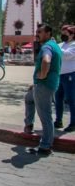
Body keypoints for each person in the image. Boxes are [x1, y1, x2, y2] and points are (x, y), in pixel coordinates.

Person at [26, 24, 62, 156]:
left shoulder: (47, 47)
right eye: (37, 32)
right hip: (45, 85)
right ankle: (28, 124)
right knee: (29, 98)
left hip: (44, 85)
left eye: (40, 32)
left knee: (45, 116)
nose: (37, 34)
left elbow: (46, 61)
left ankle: (45, 146)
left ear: (48, 33)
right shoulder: (55, 45)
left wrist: (42, 75)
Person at [54, 25, 75, 132]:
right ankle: (58, 120)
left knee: (71, 99)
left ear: (72, 34)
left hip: (70, 75)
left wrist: (55, 48)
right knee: (58, 99)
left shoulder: (74, 45)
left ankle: (73, 123)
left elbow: (67, 55)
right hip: (59, 75)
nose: (63, 35)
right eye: (62, 33)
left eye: (65, 34)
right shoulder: (62, 44)